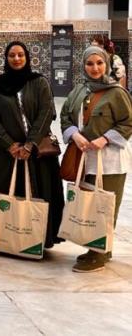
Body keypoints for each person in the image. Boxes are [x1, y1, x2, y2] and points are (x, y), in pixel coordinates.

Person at [60, 45, 132, 272]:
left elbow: (128, 122)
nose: (95, 68)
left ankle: (100, 254)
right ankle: (97, 249)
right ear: (83, 65)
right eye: (90, 64)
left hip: (110, 161)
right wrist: (74, 134)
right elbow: (65, 116)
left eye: (99, 63)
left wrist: (105, 139)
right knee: (90, 204)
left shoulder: (117, 93)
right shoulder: (79, 91)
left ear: (107, 65)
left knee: (106, 206)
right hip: (85, 157)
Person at [0, 41, 64, 252]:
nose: (17, 59)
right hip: (7, 153)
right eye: (12, 55)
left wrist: (30, 144)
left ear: (27, 57)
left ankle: (39, 238)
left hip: (37, 151)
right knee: (9, 194)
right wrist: (9, 144)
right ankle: (8, 237)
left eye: (20, 55)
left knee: (39, 192)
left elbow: (46, 113)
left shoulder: (39, 82)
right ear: (6, 58)